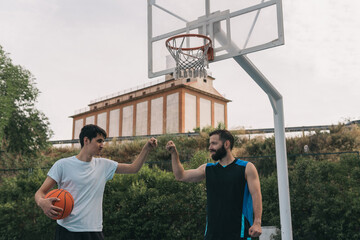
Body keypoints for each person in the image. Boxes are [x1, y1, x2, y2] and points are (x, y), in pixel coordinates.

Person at [35, 124, 157, 240]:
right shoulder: (62, 165)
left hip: (94, 231)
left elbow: (133, 168)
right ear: (86, 140)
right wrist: (42, 202)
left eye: (103, 141)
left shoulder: (104, 165)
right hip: (67, 230)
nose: (102, 145)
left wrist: (146, 149)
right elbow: (40, 192)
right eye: (99, 141)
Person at [166, 129, 262, 240]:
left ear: (226, 144)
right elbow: (180, 176)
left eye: (214, 143)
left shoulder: (246, 167)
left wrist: (257, 222)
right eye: (210, 143)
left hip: (239, 232)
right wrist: (174, 153)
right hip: (212, 234)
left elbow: (256, 195)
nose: (210, 147)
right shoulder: (208, 169)